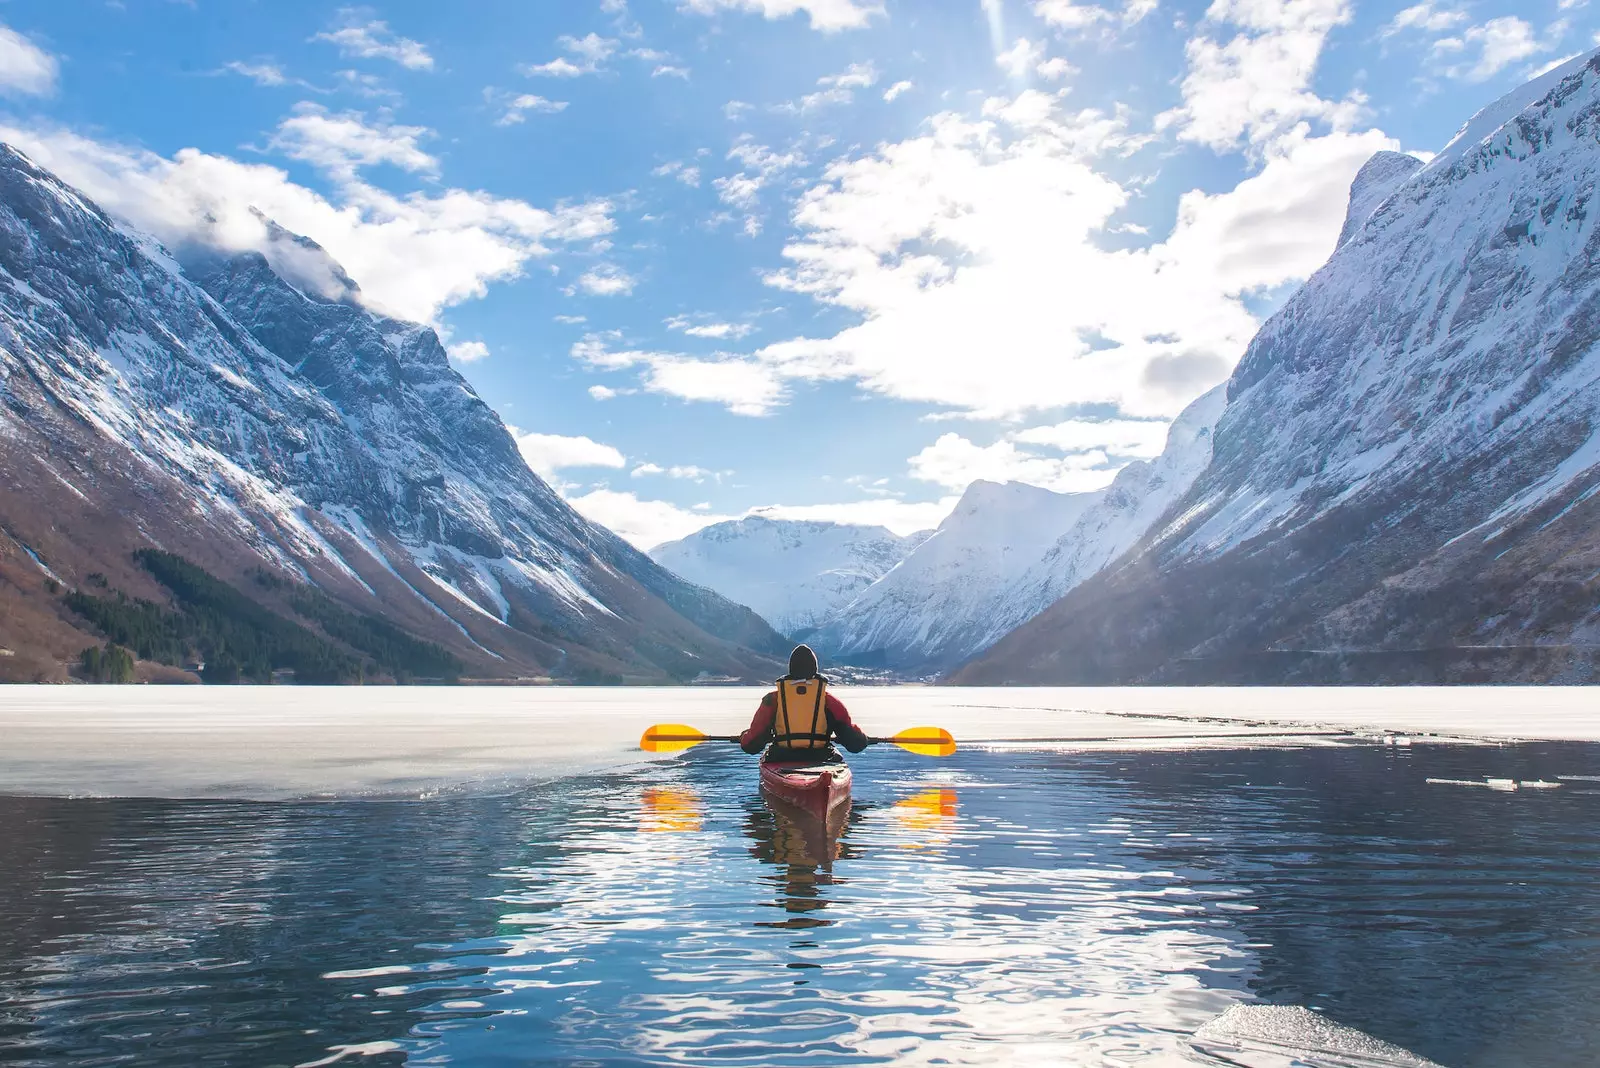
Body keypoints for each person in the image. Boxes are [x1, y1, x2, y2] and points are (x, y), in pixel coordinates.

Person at [740, 644, 870, 763]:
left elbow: (751, 745)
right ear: (815, 670)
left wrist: (744, 737)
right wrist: (863, 738)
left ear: (791, 669)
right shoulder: (830, 702)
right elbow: (855, 744)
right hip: (821, 757)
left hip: (782, 758)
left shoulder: (772, 700)